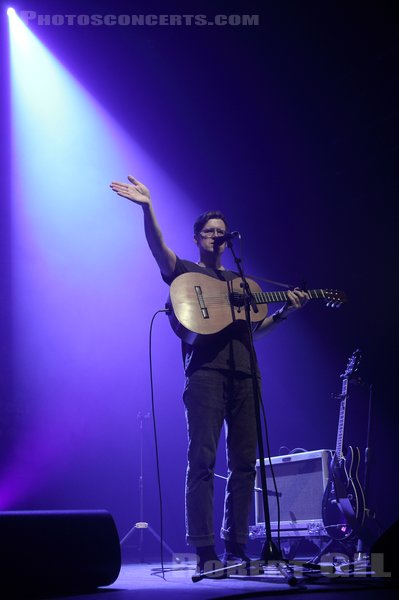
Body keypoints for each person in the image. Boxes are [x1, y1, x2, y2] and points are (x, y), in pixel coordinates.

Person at [110, 175, 309, 574]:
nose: (216, 236)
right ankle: (204, 548)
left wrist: (285, 311)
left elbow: (256, 327)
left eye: (221, 231)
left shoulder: (242, 282)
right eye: (209, 231)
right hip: (204, 375)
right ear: (199, 237)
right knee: (201, 460)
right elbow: (158, 250)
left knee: (245, 463)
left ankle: (237, 543)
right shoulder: (185, 273)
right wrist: (148, 208)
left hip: (246, 376)